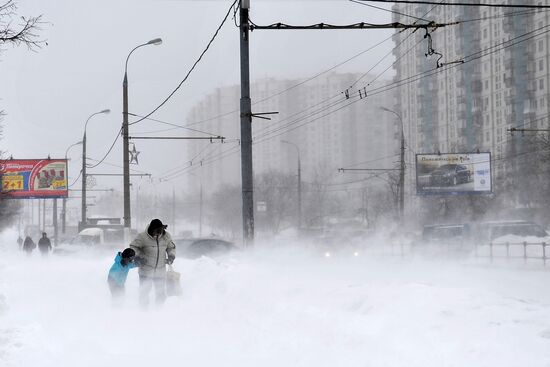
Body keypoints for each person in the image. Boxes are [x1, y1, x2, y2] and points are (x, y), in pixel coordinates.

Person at [130, 219, 176, 308]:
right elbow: (133, 247)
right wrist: (138, 257)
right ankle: (143, 312)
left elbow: (171, 247)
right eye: (157, 231)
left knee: (161, 293)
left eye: (160, 231)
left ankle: (159, 311)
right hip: (145, 271)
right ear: (152, 229)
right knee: (144, 293)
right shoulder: (142, 237)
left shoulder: (166, 237)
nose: (159, 233)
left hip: (160, 271)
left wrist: (171, 256)